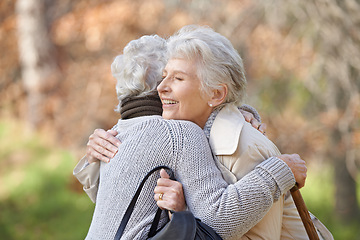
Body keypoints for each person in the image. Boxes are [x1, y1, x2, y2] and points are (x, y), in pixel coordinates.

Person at [75, 33, 306, 240]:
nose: (163, 87)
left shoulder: (121, 131)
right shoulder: (179, 134)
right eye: (165, 76)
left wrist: (236, 112)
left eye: (177, 78)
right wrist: (281, 170)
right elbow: (219, 222)